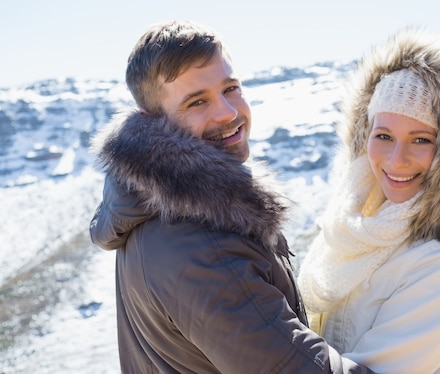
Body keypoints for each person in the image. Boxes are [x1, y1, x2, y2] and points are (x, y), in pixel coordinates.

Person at [89, 20, 374, 373]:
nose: (227, 112)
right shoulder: (201, 244)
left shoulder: (152, 200)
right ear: (153, 123)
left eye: (231, 88)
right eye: (196, 102)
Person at [297, 26, 440, 374]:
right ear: (365, 137)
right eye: (384, 136)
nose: (395, 160)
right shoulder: (360, 215)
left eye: (420, 140)